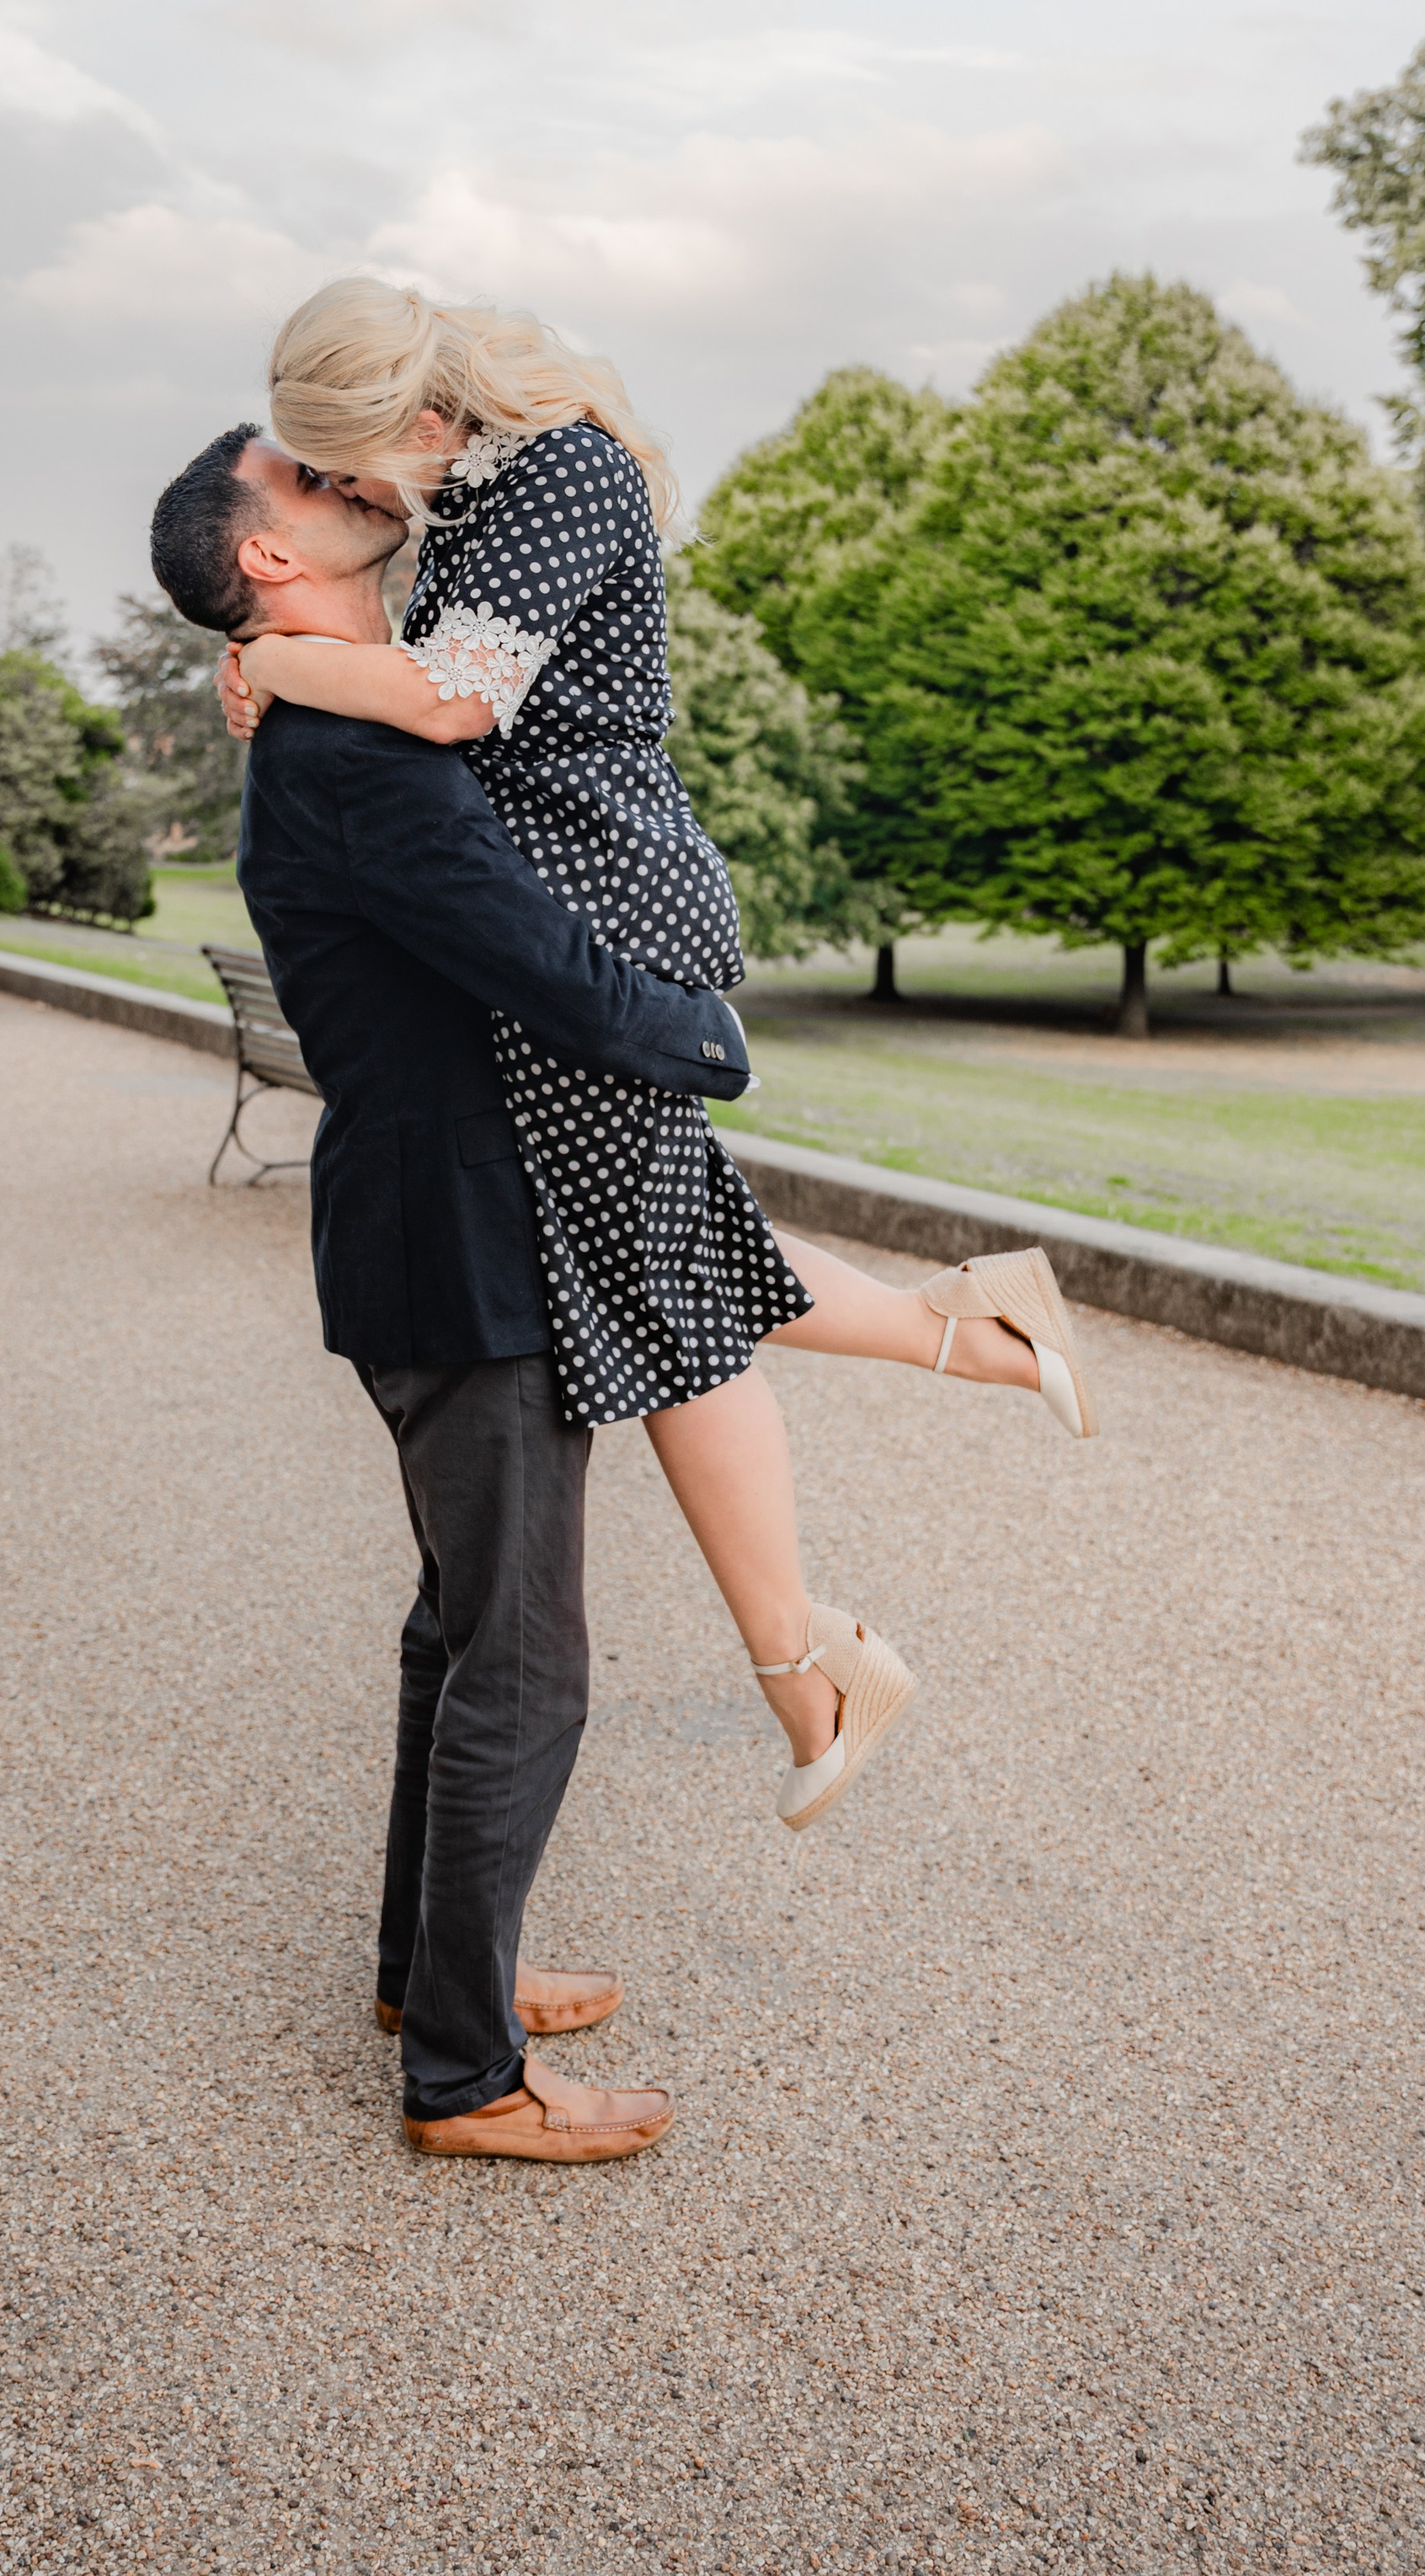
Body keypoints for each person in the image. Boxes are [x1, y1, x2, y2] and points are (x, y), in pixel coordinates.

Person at [219, 281, 1099, 1836]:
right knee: (669, 1250)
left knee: (664, 1289)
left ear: (418, 421)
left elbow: (452, 698)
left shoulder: (559, 467)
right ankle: (951, 1362)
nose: (358, 494)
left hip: (609, 904)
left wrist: (280, 665)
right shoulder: (469, 484)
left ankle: (809, 1654)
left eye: (356, 465)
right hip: (558, 909)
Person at [152, 428, 756, 2164]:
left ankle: (433, 1981)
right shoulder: (347, 738)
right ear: (269, 560)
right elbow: (513, 941)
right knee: (527, 1657)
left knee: (459, 1632)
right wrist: (694, 1035)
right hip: (458, 1233)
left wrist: (271, 660)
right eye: (309, 481)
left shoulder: (327, 700)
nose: (353, 481)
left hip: (427, 1219)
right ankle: (466, 2082)